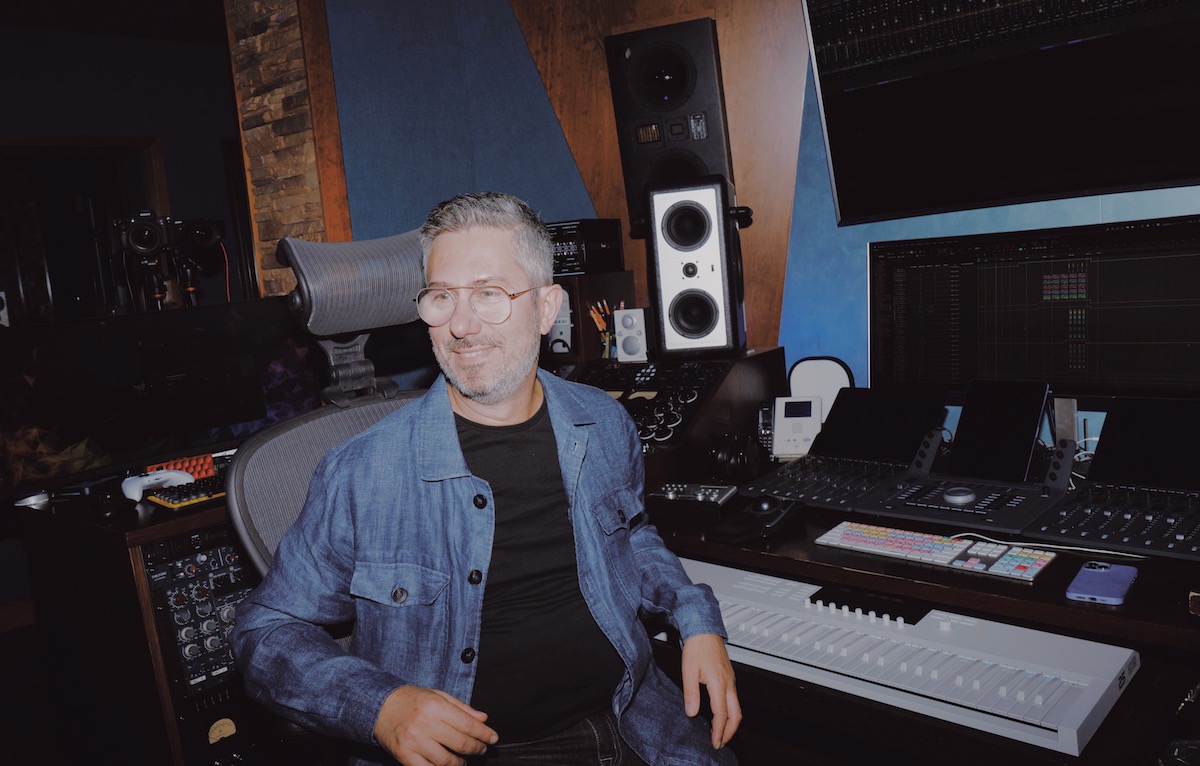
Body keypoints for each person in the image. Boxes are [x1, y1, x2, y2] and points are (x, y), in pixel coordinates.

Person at [231, 191, 741, 766]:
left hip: (632, 717)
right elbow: (264, 632)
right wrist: (382, 707)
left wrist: (695, 618)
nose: (461, 325)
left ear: (546, 309)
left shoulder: (604, 423)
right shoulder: (360, 472)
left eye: (489, 294)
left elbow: (632, 537)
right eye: (441, 297)